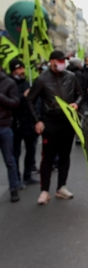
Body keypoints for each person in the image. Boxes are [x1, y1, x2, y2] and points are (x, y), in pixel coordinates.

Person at [27, 50, 83, 205]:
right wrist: (37, 121)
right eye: (58, 61)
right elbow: (30, 100)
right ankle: (44, 191)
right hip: (50, 123)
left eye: (63, 61)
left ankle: (61, 187)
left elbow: (80, 94)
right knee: (48, 158)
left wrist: (76, 103)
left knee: (65, 156)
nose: (61, 63)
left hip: (67, 123)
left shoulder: (71, 77)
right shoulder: (42, 80)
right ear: (51, 61)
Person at [9, 58, 38, 187]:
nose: (21, 71)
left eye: (22, 68)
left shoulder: (27, 83)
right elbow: (11, 103)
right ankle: (16, 178)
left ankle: (27, 176)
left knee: (31, 151)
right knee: (15, 153)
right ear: (13, 71)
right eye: (18, 69)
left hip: (28, 123)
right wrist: (23, 96)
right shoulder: (8, 84)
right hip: (14, 124)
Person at [0, 65, 20, 202]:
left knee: (9, 160)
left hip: (4, 126)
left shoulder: (9, 82)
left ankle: (14, 189)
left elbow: (15, 103)